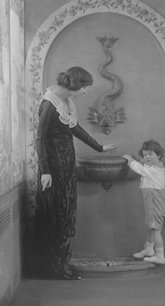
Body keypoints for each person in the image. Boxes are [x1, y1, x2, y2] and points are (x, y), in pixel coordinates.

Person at [33, 66, 117, 280]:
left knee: (66, 217)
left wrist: (99, 147)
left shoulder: (66, 103)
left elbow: (75, 129)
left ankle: (60, 268)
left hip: (66, 169)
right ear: (76, 84)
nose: (85, 92)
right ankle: (52, 270)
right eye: (85, 87)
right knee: (56, 218)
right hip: (53, 172)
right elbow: (40, 138)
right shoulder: (50, 104)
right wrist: (45, 171)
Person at [122, 140, 165, 265]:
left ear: (158, 155)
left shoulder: (155, 170)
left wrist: (130, 160)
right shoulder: (154, 165)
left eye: (150, 154)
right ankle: (149, 248)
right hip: (151, 202)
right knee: (150, 226)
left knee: (155, 229)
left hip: (155, 203)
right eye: (145, 154)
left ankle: (160, 256)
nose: (147, 157)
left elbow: (140, 169)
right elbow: (145, 164)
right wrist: (138, 158)